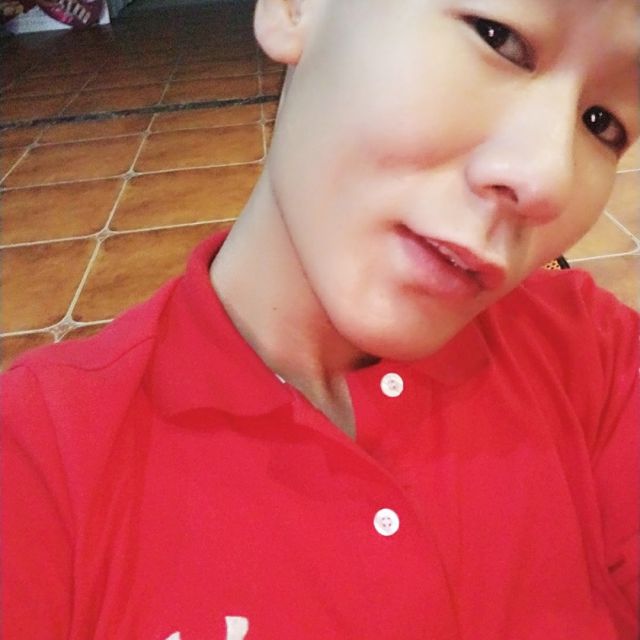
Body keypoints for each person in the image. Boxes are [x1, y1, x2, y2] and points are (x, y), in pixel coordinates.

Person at [2, 0, 638, 638]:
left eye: (603, 123)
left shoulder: (597, 362)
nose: (547, 179)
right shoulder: (38, 470)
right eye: (498, 37)